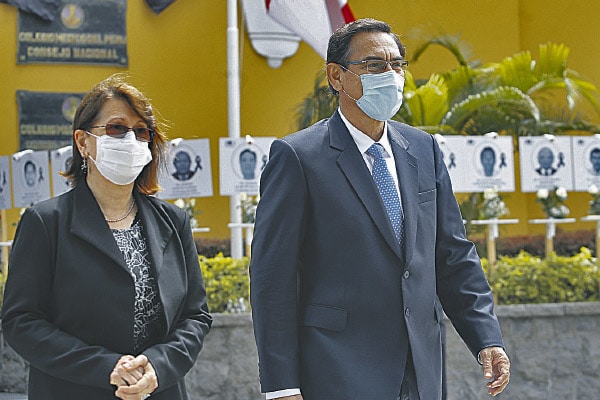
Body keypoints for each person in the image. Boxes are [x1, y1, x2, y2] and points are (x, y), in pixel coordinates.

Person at [249, 18, 510, 400]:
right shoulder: (298, 157)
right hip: (337, 371)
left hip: (420, 369)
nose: (390, 75)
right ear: (336, 76)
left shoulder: (423, 149)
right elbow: (273, 278)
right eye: (374, 65)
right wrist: (282, 387)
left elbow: (453, 255)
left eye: (397, 64)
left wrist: (487, 338)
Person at [1, 74, 212, 400]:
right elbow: (21, 321)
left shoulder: (173, 222)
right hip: (73, 391)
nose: (131, 140)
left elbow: (195, 315)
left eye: (141, 131)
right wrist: (107, 367)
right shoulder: (45, 222)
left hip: (158, 390)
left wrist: (157, 366)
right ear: (83, 142)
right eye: (116, 128)